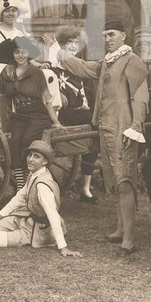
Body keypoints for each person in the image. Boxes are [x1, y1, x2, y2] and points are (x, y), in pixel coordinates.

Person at [55, 20, 149, 255]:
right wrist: (58, 52)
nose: (107, 39)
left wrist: (136, 126)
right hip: (106, 129)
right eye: (105, 35)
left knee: (125, 181)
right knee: (115, 182)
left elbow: (141, 97)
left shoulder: (132, 61)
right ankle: (120, 229)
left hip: (124, 130)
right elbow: (83, 68)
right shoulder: (107, 62)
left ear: (123, 36)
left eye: (112, 34)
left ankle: (128, 237)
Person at [0, 140, 83, 258]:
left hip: (39, 229)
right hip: (26, 219)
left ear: (45, 161)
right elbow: (20, 197)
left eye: (36, 157)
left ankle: (13, 235)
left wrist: (63, 247)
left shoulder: (42, 185)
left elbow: (52, 215)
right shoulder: (34, 174)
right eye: (29, 155)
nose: (30, 159)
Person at [0, 36, 62, 192]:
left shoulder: (36, 73)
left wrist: (55, 121)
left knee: (27, 140)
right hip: (20, 115)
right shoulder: (7, 72)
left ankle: (24, 186)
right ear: (13, 54)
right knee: (15, 141)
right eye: (16, 52)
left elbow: (47, 100)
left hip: (38, 115)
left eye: (23, 52)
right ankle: (21, 185)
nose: (20, 55)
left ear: (28, 53)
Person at [49, 26, 98, 203]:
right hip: (64, 115)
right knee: (96, 121)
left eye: (76, 43)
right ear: (61, 45)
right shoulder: (54, 68)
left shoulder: (79, 68)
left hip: (82, 113)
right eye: (69, 42)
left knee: (95, 133)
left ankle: (85, 188)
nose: (73, 46)